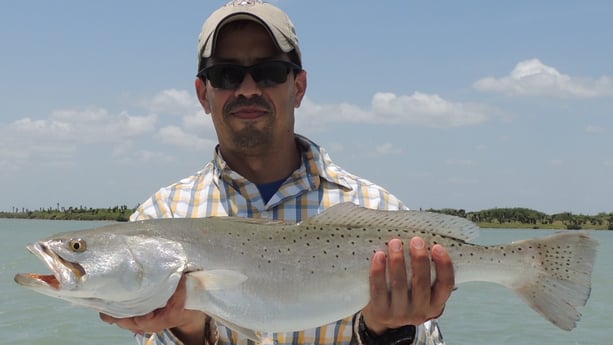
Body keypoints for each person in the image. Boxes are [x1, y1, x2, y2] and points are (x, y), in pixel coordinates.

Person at [100, 1, 455, 344]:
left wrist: (389, 333)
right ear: (202, 94)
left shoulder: (384, 212)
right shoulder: (159, 217)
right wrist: (188, 330)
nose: (248, 89)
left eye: (269, 72)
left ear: (298, 87)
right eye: (226, 75)